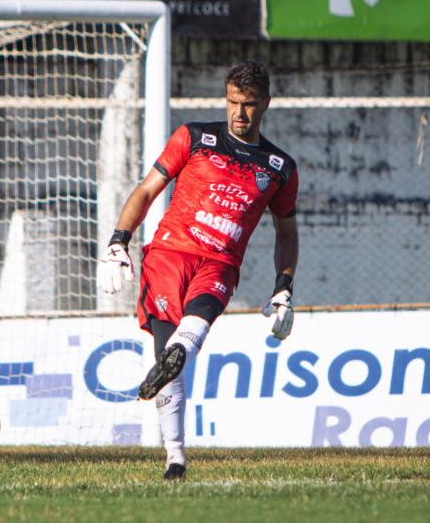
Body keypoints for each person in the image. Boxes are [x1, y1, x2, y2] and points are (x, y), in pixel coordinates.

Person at [97, 60, 299, 480]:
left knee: (197, 323)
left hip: (221, 262)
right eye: (231, 102)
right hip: (170, 253)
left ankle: (179, 357)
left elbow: (287, 232)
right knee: (169, 349)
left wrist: (284, 287)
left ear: (266, 104)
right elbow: (148, 190)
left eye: (248, 105)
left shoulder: (279, 167)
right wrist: (119, 240)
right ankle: (176, 458)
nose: (238, 113)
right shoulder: (194, 137)